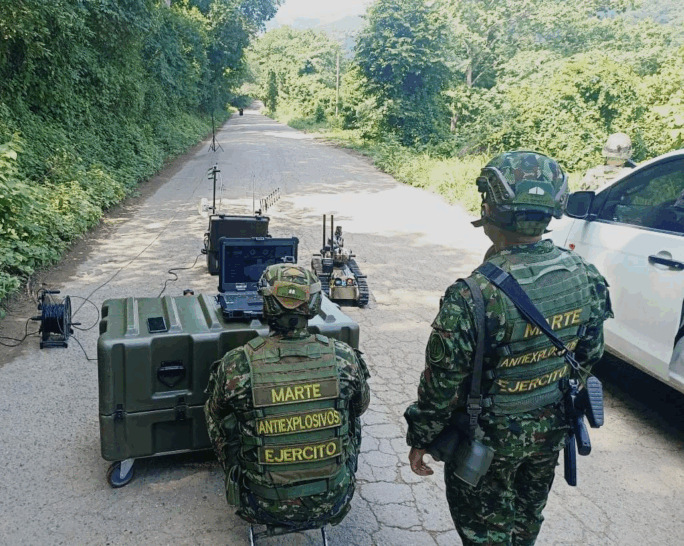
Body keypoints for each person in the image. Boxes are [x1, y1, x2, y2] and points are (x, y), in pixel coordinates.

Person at [404, 151, 613, 546]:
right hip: (550, 428)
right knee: (525, 522)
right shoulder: (585, 275)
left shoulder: (472, 296)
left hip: (487, 440)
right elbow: (588, 355)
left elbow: (442, 388)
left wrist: (422, 436)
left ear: (489, 209)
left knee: (486, 533)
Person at [205, 263, 370, 530]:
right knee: (350, 409)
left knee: (217, 412)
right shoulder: (343, 357)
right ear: (314, 305)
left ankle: (239, 477)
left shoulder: (237, 362)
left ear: (265, 303)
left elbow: (217, 413)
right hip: (333, 501)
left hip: (259, 505)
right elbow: (361, 407)